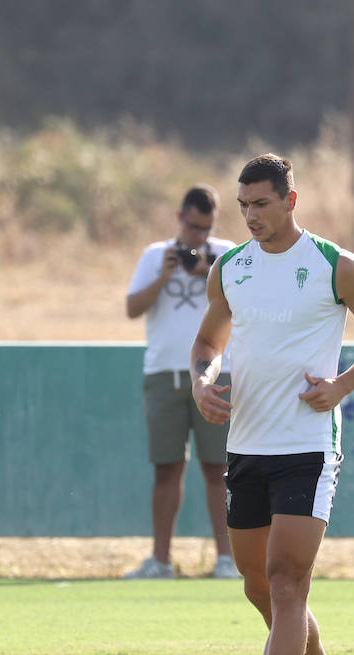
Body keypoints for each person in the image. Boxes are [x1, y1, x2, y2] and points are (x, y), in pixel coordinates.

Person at [192, 153, 354, 655]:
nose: (251, 215)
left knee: (287, 580)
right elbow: (208, 341)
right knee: (256, 583)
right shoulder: (230, 268)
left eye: (261, 203)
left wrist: (341, 385)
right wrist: (202, 381)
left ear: (291, 200)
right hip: (246, 447)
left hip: (308, 448)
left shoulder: (336, 266)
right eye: (244, 206)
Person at [123, 186, 239, 580]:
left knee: (220, 469)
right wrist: (165, 275)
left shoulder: (227, 255)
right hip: (164, 373)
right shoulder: (155, 255)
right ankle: (160, 561)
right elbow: (132, 308)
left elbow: (243, 304)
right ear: (179, 218)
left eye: (206, 229)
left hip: (216, 372)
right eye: (193, 228)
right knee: (166, 468)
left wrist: (207, 269)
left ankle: (227, 560)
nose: (199, 237)